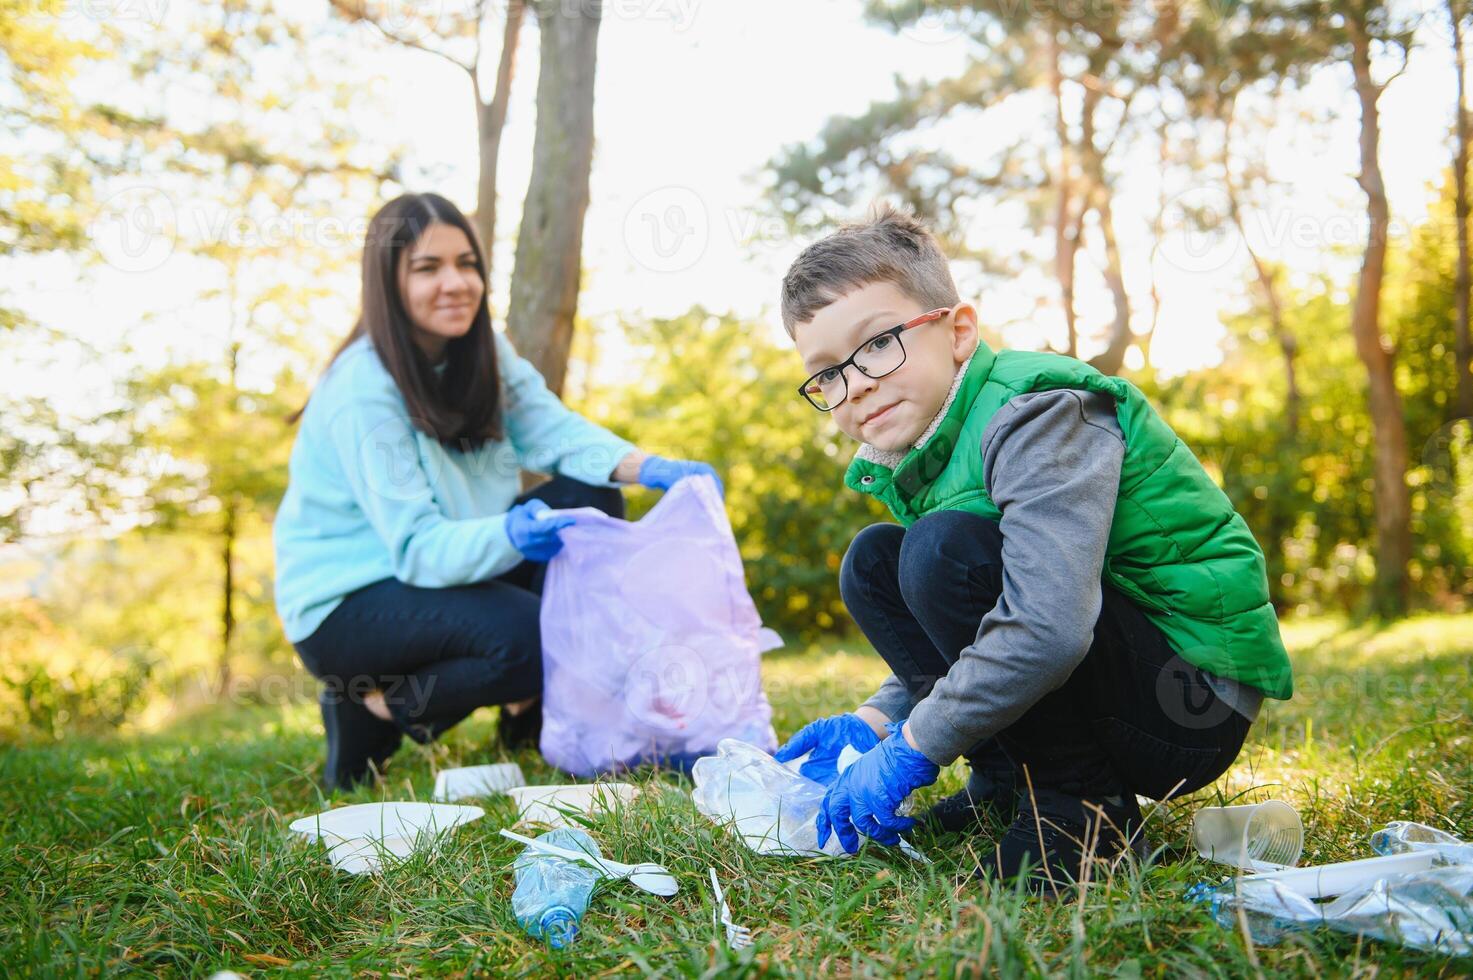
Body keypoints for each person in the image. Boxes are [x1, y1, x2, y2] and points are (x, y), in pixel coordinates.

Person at [771, 205, 1293, 894]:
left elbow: (1044, 624)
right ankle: (1005, 781)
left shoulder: (1038, 411)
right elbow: (973, 609)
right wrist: (876, 720)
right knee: (875, 561)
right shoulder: (935, 442)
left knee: (937, 552)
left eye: (876, 344)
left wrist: (915, 748)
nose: (855, 383)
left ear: (957, 332)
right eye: (827, 374)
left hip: (1185, 705)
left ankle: (1082, 812)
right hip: (1116, 669)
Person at [272, 192, 719, 791]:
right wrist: (507, 535)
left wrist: (648, 467)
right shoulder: (362, 392)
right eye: (427, 268)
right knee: (537, 637)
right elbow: (416, 547)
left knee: (590, 496)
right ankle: (378, 706)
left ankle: (527, 715)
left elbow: (551, 429)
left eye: (467, 263)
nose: (455, 283)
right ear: (387, 281)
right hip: (348, 600)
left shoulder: (482, 352)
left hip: (441, 565)